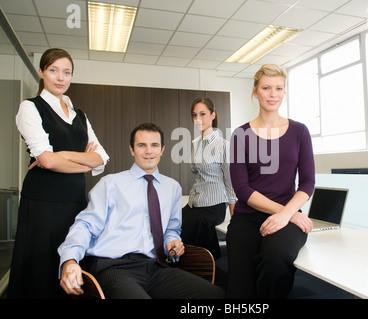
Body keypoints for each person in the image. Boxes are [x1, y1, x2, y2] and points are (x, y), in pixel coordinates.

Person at [58, 123, 225, 299]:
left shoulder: (172, 188)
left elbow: (171, 230)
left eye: (154, 145)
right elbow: (85, 225)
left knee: (215, 295)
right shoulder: (110, 184)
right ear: (132, 150)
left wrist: (173, 242)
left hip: (155, 267)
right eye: (141, 145)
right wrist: (69, 260)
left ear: (162, 150)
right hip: (114, 268)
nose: (148, 151)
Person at [8, 48, 109, 299]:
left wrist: (62, 156)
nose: (60, 77)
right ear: (41, 72)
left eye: (67, 72)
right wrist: (83, 162)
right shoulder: (30, 108)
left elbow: (101, 159)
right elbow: (47, 161)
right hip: (43, 203)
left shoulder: (80, 115)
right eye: (53, 70)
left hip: (74, 201)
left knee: (72, 266)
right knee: (41, 272)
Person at [227, 64, 315, 298]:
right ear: (255, 92)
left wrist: (286, 215)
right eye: (266, 88)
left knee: (275, 261)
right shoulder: (240, 134)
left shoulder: (299, 131)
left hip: (287, 219)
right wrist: (288, 212)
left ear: (284, 92)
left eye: (279, 88)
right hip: (248, 217)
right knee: (240, 289)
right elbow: (242, 189)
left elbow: (307, 181)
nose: (273, 94)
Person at [181, 98, 236, 259]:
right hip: (195, 202)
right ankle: (183, 266)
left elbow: (230, 182)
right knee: (174, 221)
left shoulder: (224, 145)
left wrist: (235, 218)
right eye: (194, 115)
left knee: (195, 223)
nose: (198, 119)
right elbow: (197, 173)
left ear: (213, 115)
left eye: (203, 114)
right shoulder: (195, 143)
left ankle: (209, 266)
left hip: (214, 205)